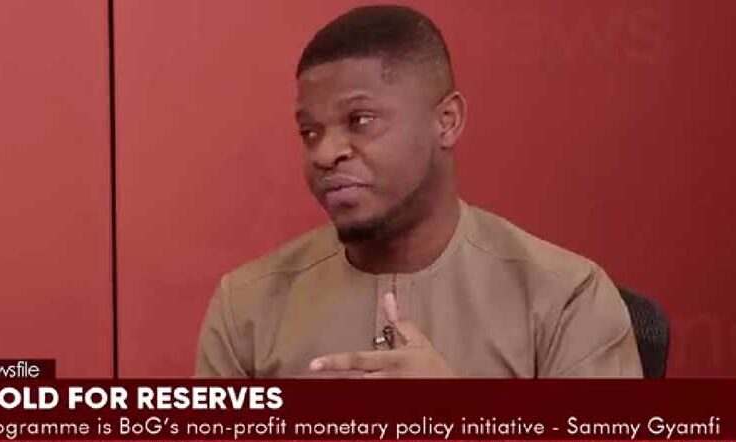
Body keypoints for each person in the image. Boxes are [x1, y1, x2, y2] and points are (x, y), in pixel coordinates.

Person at [195, 5, 642, 378]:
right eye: (310, 132)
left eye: (360, 120)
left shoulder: (565, 297)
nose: (325, 153)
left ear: (447, 121)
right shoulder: (247, 309)